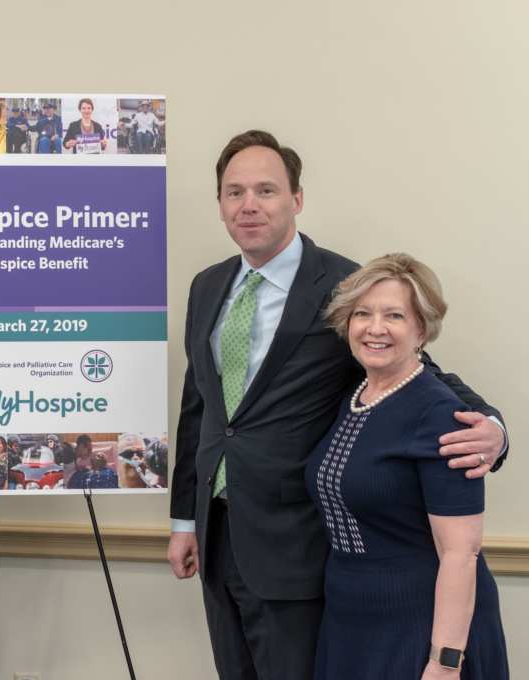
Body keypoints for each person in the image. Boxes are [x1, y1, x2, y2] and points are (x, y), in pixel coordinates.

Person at [166, 130, 508, 680]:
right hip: (215, 537)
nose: (249, 205)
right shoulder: (207, 286)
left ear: (296, 199)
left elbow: (416, 368)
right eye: (234, 193)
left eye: (266, 190)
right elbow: (198, 409)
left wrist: (493, 426)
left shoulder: (345, 287)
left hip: (295, 547)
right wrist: (185, 518)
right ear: (221, 205)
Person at [305, 253, 509, 679]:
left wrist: (445, 662)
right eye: (362, 313)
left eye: (394, 315)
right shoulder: (356, 394)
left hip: (419, 626)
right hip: (351, 620)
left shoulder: (440, 415)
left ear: (422, 330)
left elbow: (461, 551)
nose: (374, 328)